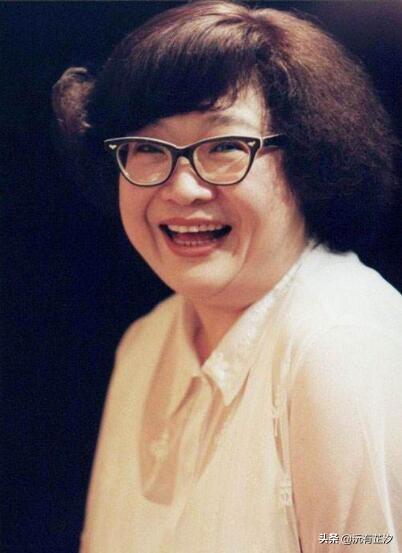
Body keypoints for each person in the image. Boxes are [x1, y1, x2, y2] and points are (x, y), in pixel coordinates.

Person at [52, 1, 402, 551]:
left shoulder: (341, 346)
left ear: (308, 156)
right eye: (147, 148)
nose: (181, 188)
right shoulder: (146, 342)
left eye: (224, 147)